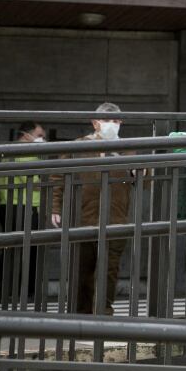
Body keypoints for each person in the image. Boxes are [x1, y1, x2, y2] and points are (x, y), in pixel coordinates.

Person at [50, 103, 130, 315]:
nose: (111, 125)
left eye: (115, 121)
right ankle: (80, 314)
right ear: (95, 123)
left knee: (109, 269)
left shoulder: (128, 147)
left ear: (121, 123)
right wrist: (56, 207)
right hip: (83, 216)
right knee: (82, 269)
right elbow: (59, 177)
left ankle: (103, 312)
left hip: (115, 219)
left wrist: (136, 167)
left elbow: (146, 179)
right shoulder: (79, 146)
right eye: (106, 121)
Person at [0, 121, 46, 300]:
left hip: (11, 206)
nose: (43, 139)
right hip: (22, 207)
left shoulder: (10, 151)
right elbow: (38, 183)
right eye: (40, 135)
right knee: (27, 251)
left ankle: (9, 291)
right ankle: (24, 292)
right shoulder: (25, 153)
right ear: (26, 135)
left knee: (11, 248)